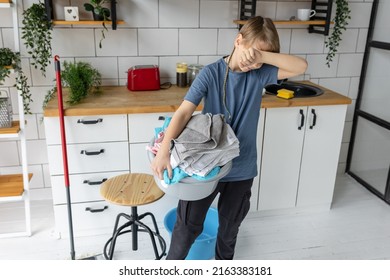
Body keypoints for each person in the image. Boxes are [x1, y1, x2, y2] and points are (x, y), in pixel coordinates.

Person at [151, 16, 308, 260]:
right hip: (205, 167)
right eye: (252, 53)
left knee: (229, 231)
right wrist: (163, 152)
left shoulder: (260, 73)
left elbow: (301, 66)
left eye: (260, 59)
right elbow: (183, 112)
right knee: (186, 229)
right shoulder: (210, 73)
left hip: (242, 168)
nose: (253, 63)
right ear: (238, 40)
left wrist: (261, 57)